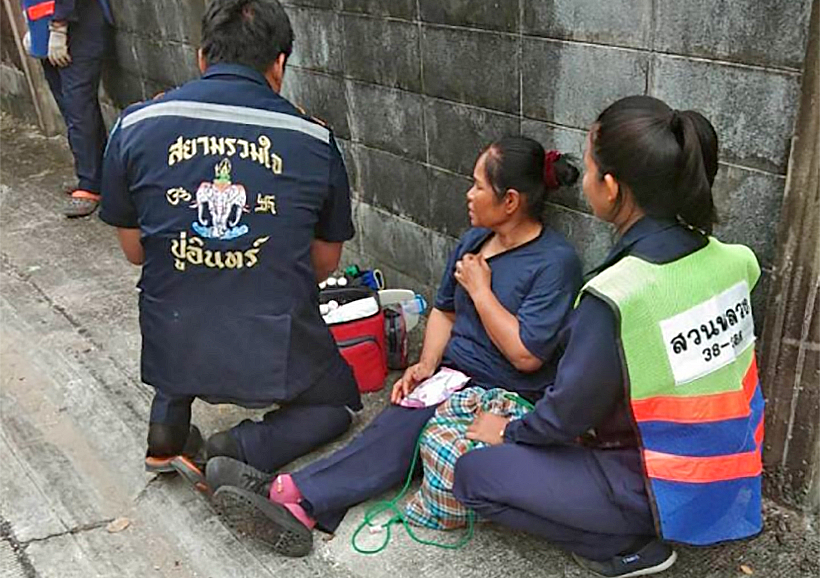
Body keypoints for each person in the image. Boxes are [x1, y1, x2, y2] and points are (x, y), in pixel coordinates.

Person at [204, 135, 584, 557]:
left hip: (501, 390)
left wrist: (481, 292)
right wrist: (425, 364)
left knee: (403, 429)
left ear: (510, 200)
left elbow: (526, 355)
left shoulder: (554, 262)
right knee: (398, 422)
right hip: (454, 375)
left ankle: (295, 497)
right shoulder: (475, 242)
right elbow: (444, 311)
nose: (468, 194)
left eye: (478, 185)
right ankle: (295, 497)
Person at [451, 96, 764, 577]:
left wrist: (507, 431)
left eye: (591, 167)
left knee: (472, 477)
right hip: (731, 474)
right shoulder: (736, 260)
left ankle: (626, 546)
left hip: (655, 483)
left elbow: (568, 414)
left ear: (612, 188)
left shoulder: (617, 296)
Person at [99, 0, 361, 487]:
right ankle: (237, 447)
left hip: (173, 337)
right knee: (338, 400)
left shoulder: (133, 126)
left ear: (202, 56)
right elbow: (323, 264)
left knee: (176, 287)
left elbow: (136, 251)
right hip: (270, 339)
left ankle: (168, 428)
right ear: (279, 65)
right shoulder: (313, 141)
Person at [21, 0, 113, 217]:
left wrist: (59, 26)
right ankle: (97, 176)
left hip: (76, 25)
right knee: (72, 109)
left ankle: (90, 186)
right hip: (46, 28)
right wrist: (33, 28)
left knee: (78, 107)